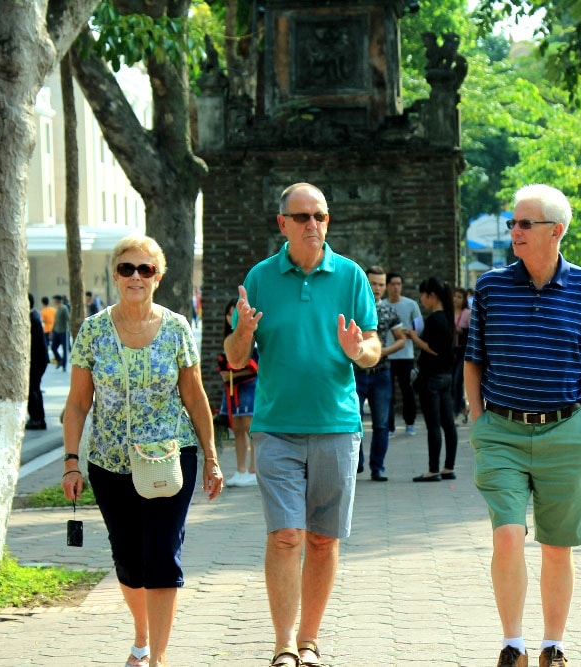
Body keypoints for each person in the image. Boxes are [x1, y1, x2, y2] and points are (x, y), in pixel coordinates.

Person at [224, 182, 380, 667]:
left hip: (337, 425)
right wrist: (243, 332)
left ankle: (310, 641)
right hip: (276, 427)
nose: (313, 225)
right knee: (286, 535)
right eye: (302, 217)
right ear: (282, 224)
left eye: (320, 216)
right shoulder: (261, 278)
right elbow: (233, 359)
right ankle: (283, 644)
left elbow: (373, 348)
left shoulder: (351, 276)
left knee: (323, 538)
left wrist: (359, 350)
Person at [464, 184, 581, 667]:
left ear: (556, 231)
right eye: (513, 222)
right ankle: (513, 643)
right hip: (502, 433)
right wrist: (476, 420)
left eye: (525, 223)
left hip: (567, 432)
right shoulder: (490, 286)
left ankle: (554, 644)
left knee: (557, 545)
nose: (514, 231)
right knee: (508, 534)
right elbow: (474, 359)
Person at [61, 234, 223, 667]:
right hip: (109, 463)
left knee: (162, 552)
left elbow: (195, 396)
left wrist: (211, 457)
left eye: (145, 269)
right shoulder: (93, 331)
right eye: (127, 268)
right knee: (128, 557)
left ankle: (159, 658)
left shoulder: (176, 329)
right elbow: (78, 404)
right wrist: (71, 462)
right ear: (115, 274)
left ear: (158, 276)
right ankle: (141, 638)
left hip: (171, 458)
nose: (136, 276)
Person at [355, 266, 405, 481]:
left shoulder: (388, 311)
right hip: (356, 373)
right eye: (373, 283)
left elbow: (401, 339)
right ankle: (355, 463)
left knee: (381, 423)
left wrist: (383, 351)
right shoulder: (353, 308)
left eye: (380, 284)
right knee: (352, 422)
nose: (377, 288)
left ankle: (378, 467)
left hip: (381, 373)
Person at [408, 276, 458, 482]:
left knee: (433, 425)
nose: (421, 299)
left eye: (423, 295)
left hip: (432, 378)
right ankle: (448, 468)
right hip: (447, 376)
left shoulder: (434, 319)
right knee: (448, 423)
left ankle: (433, 470)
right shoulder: (448, 317)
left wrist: (414, 337)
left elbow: (433, 349)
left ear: (432, 295)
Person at [217, 298, 259, 488]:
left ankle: (254, 469)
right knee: (238, 429)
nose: (230, 318)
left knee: (251, 428)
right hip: (233, 389)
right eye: (228, 314)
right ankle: (240, 469)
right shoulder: (227, 340)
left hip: (250, 386)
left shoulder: (252, 337)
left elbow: (255, 366)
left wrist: (237, 371)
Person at [383, 271, 422, 437]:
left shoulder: (411, 304)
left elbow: (420, 326)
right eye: (392, 284)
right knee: (387, 392)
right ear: (387, 286)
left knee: (407, 391)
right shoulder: (381, 305)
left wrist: (411, 333)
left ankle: (410, 423)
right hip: (387, 354)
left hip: (406, 355)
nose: (395, 287)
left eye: (398, 284)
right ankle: (390, 426)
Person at [26, 294, 49, 430]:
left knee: (32, 389)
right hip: (39, 359)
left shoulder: (32, 318)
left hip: (36, 360)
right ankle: (39, 419)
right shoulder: (34, 316)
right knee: (35, 388)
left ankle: (36, 418)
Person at [452, 287, 471, 424]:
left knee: (457, 381)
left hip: (463, 351)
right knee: (453, 382)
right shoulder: (448, 313)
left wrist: (461, 331)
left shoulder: (467, 313)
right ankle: (464, 409)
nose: (456, 299)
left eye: (459, 297)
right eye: (454, 296)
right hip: (451, 351)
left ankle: (455, 413)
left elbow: (473, 333)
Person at [51, 295, 71, 371]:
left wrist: (68, 329)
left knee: (64, 349)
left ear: (57, 301)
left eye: (54, 300)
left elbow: (68, 319)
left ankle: (64, 366)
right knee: (53, 347)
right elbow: (55, 321)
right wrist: (52, 331)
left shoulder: (64, 308)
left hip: (63, 331)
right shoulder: (57, 309)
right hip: (56, 331)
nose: (53, 302)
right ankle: (59, 360)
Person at [40, 295, 56, 364]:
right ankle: (55, 357)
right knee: (54, 345)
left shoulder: (43, 311)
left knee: (46, 345)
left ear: (43, 303)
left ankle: (47, 359)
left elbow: (42, 321)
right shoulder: (53, 310)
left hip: (46, 329)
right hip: (53, 328)